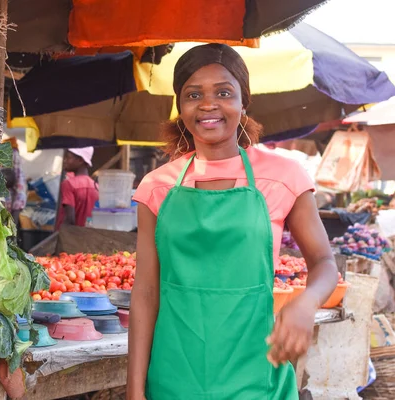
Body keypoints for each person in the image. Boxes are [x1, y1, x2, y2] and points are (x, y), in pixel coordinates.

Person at [127, 44, 339, 400]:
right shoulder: (157, 186)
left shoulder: (283, 176)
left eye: (224, 92)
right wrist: (135, 388)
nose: (208, 104)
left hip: (256, 376)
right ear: (181, 106)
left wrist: (307, 302)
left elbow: (324, 263)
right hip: (174, 377)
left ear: (244, 102)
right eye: (194, 94)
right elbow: (146, 293)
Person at [57, 147, 99, 229]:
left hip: (70, 238)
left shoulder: (69, 184)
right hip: (88, 237)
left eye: (68, 157)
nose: (64, 161)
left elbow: (69, 220)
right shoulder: (96, 186)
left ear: (80, 160)